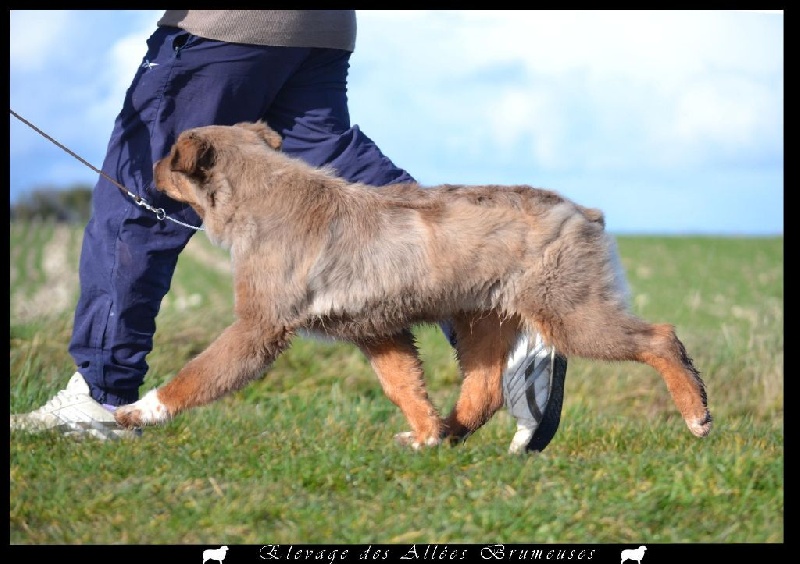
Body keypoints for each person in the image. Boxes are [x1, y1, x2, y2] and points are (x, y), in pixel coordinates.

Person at [10, 10, 567, 452]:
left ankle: (101, 396)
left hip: (226, 26)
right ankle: (502, 306)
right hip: (317, 25)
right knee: (359, 188)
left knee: (140, 196)